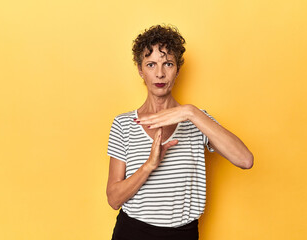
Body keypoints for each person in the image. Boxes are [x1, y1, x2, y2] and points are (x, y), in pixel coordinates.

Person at [106, 24, 254, 240]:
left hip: (183, 234)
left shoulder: (197, 119)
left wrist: (190, 113)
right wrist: (149, 166)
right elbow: (113, 199)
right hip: (132, 232)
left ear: (177, 69)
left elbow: (245, 159)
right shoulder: (124, 124)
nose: (160, 73)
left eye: (168, 64)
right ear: (140, 70)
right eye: (151, 64)